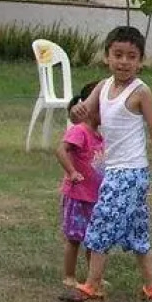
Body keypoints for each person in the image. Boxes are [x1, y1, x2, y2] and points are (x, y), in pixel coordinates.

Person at [64, 26, 152, 302]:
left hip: (129, 172)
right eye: (118, 55)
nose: (124, 62)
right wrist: (76, 110)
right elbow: (81, 116)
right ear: (107, 56)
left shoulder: (141, 92)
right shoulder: (103, 86)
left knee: (101, 221)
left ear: (141, 60)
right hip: (115, 169)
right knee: (137, 230)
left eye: (131, 56)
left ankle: (92, 284)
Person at [55, 81, 104, 291]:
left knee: (93, 238)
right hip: (78, 195)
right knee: (74, 238)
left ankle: (93, 276)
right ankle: (69, 275)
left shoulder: (100, 135)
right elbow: (61, 150)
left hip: (95, 196)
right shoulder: (79, 131)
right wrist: (72, 172)